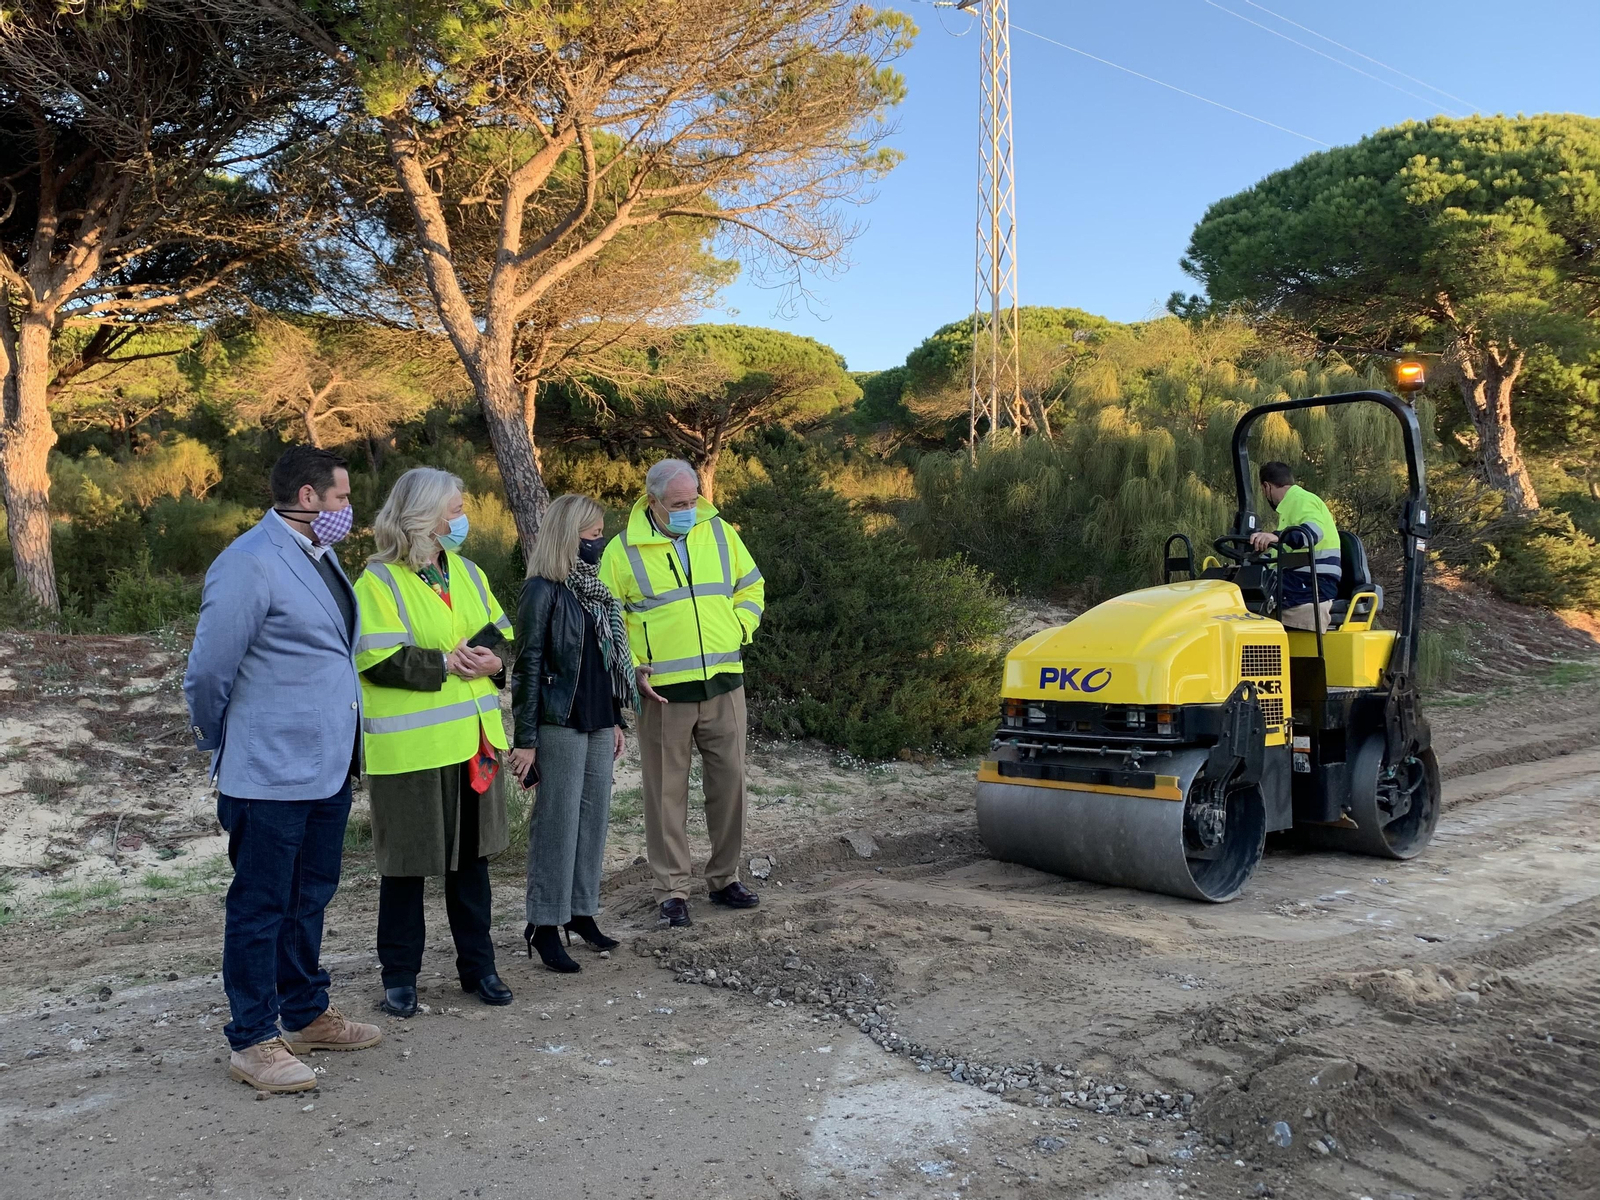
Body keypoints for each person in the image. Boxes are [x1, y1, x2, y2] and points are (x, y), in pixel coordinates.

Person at [184, 445, 382, 1094]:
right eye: (341, 498)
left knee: (310, 897)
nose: (348, 510)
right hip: (266, 769)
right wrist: (225, 739)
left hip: (326, 766)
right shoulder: (248, 563)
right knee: (261, 905)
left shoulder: (320, 558)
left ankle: (304, 1014)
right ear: (306, 497)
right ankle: (252, 1040)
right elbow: (210, 672)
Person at [352, 468, 515, 1018]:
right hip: (412, 754)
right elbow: (377, 660)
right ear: (423, 516)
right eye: (455, 508)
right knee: (404, 868)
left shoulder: (467, 571)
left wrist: (495, 663)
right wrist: (445, 663)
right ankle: (400, 977)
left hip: (473, 743)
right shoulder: (377, 582)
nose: (462, 518)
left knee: (473, 865)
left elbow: (500, 633)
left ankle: (480, 968)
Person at [598, 459, 765, 929]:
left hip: (725, 682)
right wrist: (631, 669)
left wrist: (739, 627)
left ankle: (724, 878)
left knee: (729, 786)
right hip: (662, 694)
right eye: (678, 504)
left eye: (693, 501)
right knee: (665, 794)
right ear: (652, 502)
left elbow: (751, 586)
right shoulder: (621, 550)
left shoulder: (720, 532)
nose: (689, 510)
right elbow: (607, 621)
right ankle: (672, 891)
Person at [509, 494, 635, 972]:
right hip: (558, 722)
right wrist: (525, 737)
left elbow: (605, 664)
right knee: (557, 823)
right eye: (592, 535)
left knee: (594, 819)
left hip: (600, 718)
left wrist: (617, 719)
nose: (599, 543)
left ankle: (580, 912)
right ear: (569, 536)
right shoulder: (542, 590)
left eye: (601, 534)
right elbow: (528, 666)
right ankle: (544, 924)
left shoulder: (595, 590)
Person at [1250, 461, 1343, 632]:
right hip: (1299, 580)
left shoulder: (1301, 500)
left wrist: (1276, 536)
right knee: (1247, 585)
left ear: (1266, 487)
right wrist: (1252, 562)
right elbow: (1282, 554)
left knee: (1249, 601)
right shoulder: (1289, 509)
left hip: (1313, 583)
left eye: (1263, 491)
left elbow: (1312, 533)